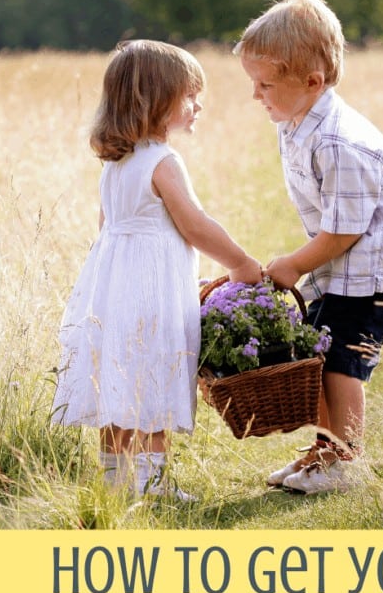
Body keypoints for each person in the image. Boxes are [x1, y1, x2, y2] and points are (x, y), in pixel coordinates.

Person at [234, 0, 383, 495]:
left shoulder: (338, 142)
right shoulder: (295, 120)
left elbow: (346, 228)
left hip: (378, 268)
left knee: (342, 360)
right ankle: (324, 451)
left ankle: (345, 462)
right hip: (345, 265)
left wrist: (295, 264)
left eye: (265, 84)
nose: (256, 96)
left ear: (312, 81)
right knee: (316, 353)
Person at [52, 39, 261, 501]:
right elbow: (196, 227)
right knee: (153, 376)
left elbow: (107, 228)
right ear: (156, 101)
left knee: (120, 379)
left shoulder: (116, 164)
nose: (198, 104)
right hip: (151, 293)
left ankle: (115, 478)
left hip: (113, 290)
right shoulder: (164, 162)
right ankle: (151, 485)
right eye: (189, 95)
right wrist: (241, 263)